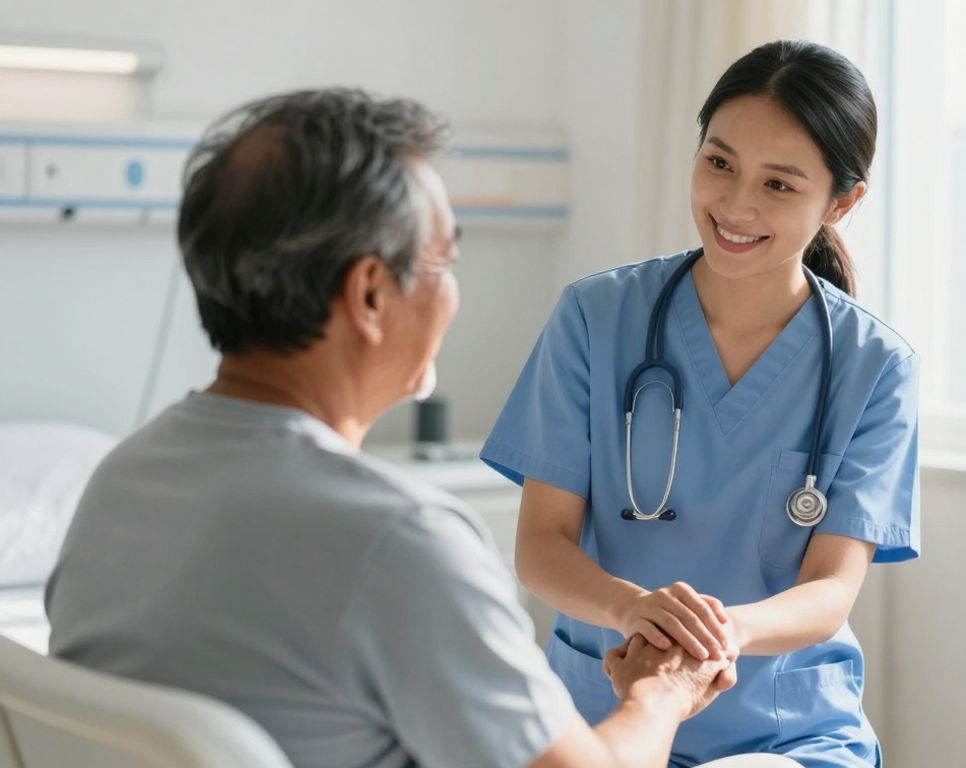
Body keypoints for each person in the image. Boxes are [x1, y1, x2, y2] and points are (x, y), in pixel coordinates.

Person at [44, 88, 761, 768]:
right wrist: (663, 691)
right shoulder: (398, 543)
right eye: (444, 260)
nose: (453, 292)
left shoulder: (119, 481)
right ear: (369, 295)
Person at [481, 40, 920, 767]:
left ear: (842, 202)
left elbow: (830, 590)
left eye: (779, 185)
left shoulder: (874, 366)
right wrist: (632, 609)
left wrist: (715, 638)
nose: (736, 204)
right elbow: (541, 546)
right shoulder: (595, 317)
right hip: (598, 717)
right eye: (719, 162)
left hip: (784, 732)